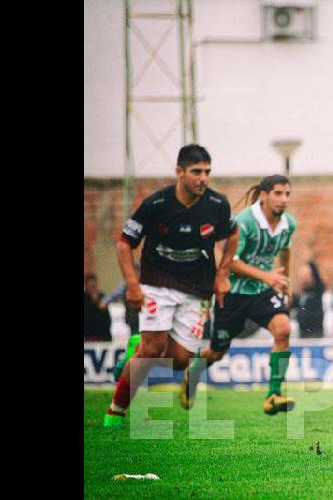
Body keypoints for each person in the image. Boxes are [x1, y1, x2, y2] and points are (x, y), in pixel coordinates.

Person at [103, 144, 238, 428]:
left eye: (207, 172)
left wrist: (222, 274)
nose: (203, 178)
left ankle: (136, 349)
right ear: (179, 172)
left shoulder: (217, 204)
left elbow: (232, 234)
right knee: (153, 350)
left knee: (180, 361)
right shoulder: (156, 204)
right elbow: (125, 243)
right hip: (157, 281)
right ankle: (116, 410)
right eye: (196, 172)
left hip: (197, 288)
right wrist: (132, 284)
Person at [180, 175, 299, 416]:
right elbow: (229, 262)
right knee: (216, 353)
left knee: (283, 329)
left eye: (287, 194)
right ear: (264, 195)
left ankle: (273, 394)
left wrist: (284, 282)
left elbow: (285, 250)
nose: (284, 199)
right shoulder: (244, 222)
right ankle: (193, 373)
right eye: (278, 193)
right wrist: (266, 276)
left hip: (262, 292)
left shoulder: (288, 223)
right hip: (233, 294)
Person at [292, 259, 325, 338]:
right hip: (302, 331)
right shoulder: (298, 295)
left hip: (316, 332)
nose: (304, 278)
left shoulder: (317, 290)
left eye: (307, 275)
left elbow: (318, 280)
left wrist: (311, 265)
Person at [84, 274, 113, 341]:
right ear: (86, 285)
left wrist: (97, 300)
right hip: (90, 336)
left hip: (104, 336)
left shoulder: (102, 297)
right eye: (90, 285)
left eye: (94, 285)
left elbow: (106, 317)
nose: (93, 287)